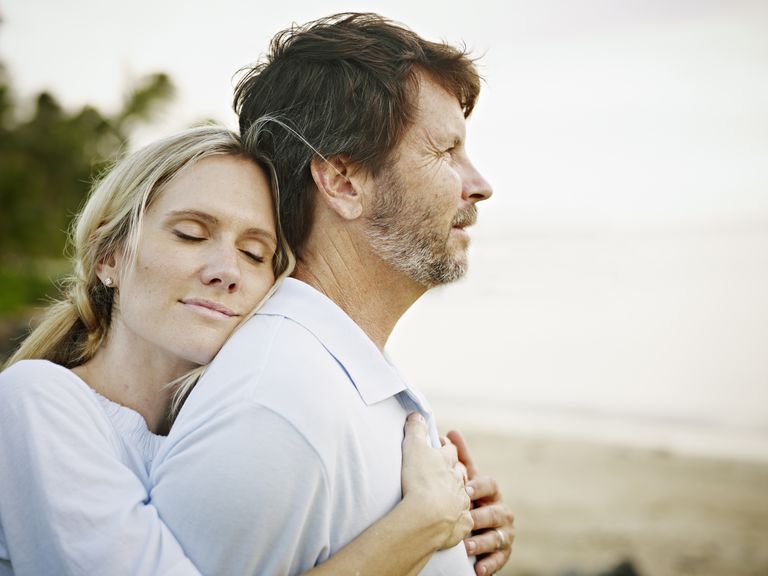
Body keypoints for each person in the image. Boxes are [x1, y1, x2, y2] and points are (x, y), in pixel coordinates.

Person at [0, 125, 473, 575]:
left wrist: (462, 529)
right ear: (109, 256)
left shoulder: (225, 428)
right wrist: (421, 524)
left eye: (254, 253)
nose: (226, 271)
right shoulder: (38, 400)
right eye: (191, 234)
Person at [149, 13, 514, 576]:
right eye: (445, 152)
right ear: (343, 182)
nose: (480, 185)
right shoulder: (273, 408)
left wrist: (452, 553)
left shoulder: (334, 372)